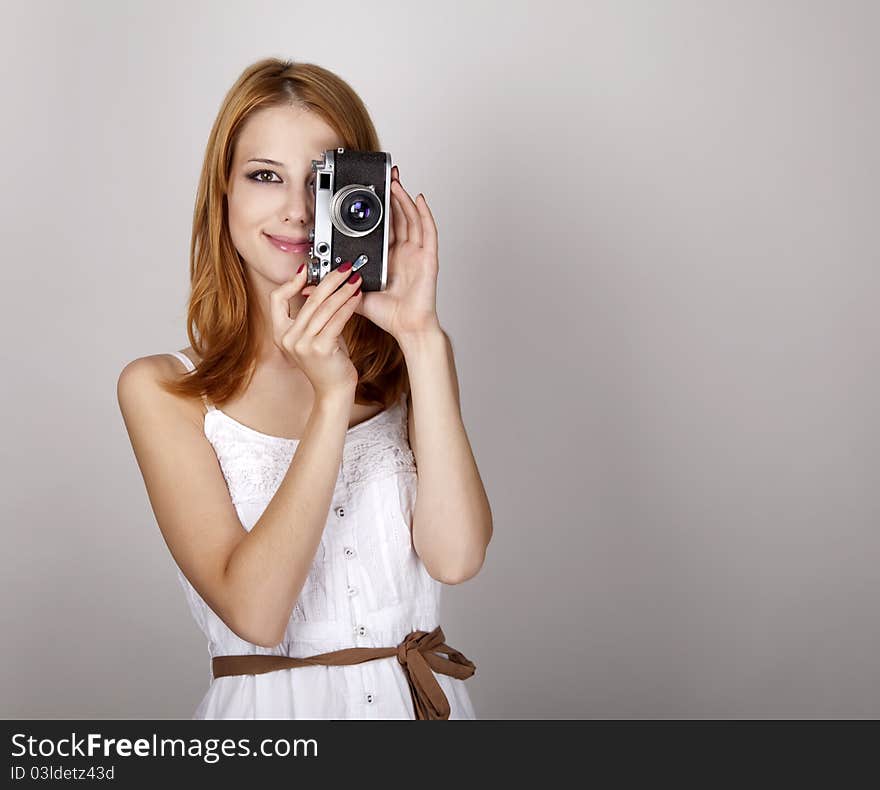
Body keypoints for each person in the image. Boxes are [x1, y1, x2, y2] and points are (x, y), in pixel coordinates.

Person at [116, 57, 493, 719]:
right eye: (265, 176)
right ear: (224, 193)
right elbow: (257, 612)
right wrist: (329, 398)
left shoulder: (412, 360)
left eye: (322, 180)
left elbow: (456, 557)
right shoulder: (163, 389)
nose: (295, 210)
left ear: (364, 195)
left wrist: (424, 335)